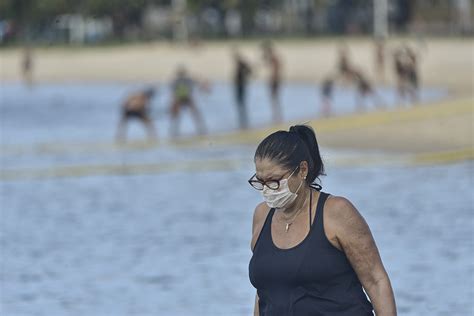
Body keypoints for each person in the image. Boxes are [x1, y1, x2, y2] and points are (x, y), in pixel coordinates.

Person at [248, 125, 397, 316]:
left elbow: (376, 281)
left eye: (274, 181)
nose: (267, 189)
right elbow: (264, 293)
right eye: (260, 182)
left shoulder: (336, 212)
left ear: (302, 170)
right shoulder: (261, 215)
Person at [169, 66, 207, 137]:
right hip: (182, 98)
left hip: (183, 98)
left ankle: (174, 131)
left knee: (191, 114)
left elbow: (173, 92)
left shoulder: (179, 81)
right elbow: (173, 92)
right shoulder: (182, 80)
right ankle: (201, 129)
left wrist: (172, 102)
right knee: (193, 114)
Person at [261, 41, 282, 123]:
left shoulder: (274, 58)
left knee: (274, 98)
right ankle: (276, 116)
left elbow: (275, 70)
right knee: (274, 98)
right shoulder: (273, 58)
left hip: (274, 80)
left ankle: (276, 116)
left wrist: (273, 80)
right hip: (275, 80)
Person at [233, 49, 252, 129]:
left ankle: (243, 121)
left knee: (241, 103)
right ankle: (242, 120)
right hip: (239, 85)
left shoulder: (242, 64)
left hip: (241, 85)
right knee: (240, 103)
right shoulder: (240, 64)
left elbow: (249, 71)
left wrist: (245, 78)